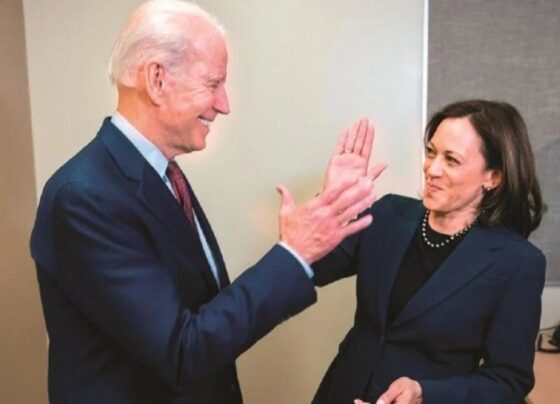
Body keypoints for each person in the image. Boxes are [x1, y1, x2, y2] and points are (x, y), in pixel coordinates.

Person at [29, 1, 380, 403]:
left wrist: (319, 224)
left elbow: (203, 314)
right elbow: (183, 352)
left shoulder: (159, 173)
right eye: (213, 84)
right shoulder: (85, 197)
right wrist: (293, 253)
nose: (224, 104)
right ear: (157, 79)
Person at [313, 100, 546, 404]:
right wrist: (329, 205)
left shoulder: (517, 263)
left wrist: (425, 393)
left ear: (493, 177)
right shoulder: (388, 214)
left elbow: (508, 380)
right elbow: (311, 270)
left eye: (451, 160)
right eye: (431, 152)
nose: (431, 169)